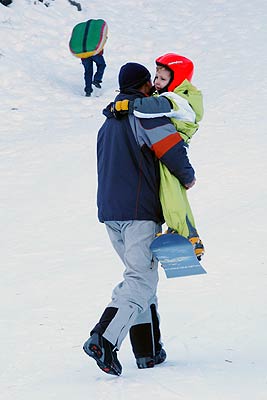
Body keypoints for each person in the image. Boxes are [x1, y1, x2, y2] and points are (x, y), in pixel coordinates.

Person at [82, 62, 196, 376]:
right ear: (145, 85)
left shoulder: (107, 123)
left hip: (111, 213)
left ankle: (148, 352)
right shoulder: (144, 116)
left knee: (140, 279)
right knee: (140, 280)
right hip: (138, 212)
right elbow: (171, 149)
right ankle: (103, 338)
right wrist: (186, 176)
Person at [114, 53, 204, 259]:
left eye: (163, 79)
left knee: (172, 192)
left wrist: (127, 105)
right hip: (169, 143)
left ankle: (189, 235)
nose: (156, 83)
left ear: (178, 81)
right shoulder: (170, 95)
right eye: (156, 78)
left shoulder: (177, 98)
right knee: (168, 192)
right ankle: (176, 228)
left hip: (175, 144)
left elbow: (152, 108)